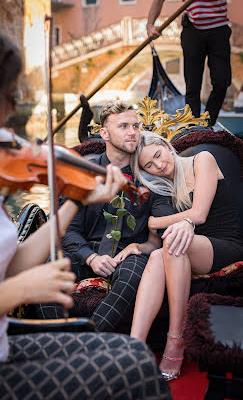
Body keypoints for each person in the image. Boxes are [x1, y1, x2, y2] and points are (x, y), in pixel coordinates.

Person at [0, 20, 172, 399]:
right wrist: (16, 291)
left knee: (135, 353)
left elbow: (13, 263)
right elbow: (19, 276)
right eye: (8, 98)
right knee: (136, 371)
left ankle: (86, 336)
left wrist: (77, 198)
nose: (14, 115)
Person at [118, 131, 243, 381]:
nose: (159, 165)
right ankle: (133, 349)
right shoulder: (165, 186)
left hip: (227, 245)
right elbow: (156, 243)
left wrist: (154, 221)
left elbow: (198, 215)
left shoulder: (202, 160)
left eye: (158, 155)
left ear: (165, 145)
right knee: (157, 256)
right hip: (191, 247)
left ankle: (175, 340)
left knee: (174, 245)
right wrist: (136, 248)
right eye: (149, 166)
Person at [62, 100, 193, 333]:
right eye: (123, 126)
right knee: (52, 265)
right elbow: (69, 230)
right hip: (87, 250)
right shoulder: (84, 173)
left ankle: (85, 340)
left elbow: (164, 224)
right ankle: (53, 336)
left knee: (133, 273)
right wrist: (91, 257)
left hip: (128, 253)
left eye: (135, 126)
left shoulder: (150, 178)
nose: (132, 132)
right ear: (104, 133)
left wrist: (183, 222)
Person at [147, 0, 232, 126]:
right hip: (192, 30)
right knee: (192, 86)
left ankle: (207, 123)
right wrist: (150, 25)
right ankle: (193, 126)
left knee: (222, 81)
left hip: (219, 30)